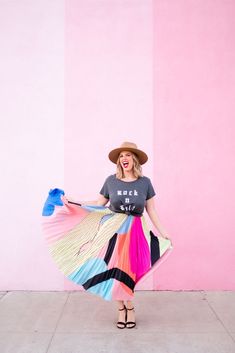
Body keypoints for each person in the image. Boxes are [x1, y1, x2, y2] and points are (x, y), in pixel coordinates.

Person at [42, 141, 173, 329]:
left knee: (130, 272)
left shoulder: (145, 183)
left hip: (136, 232)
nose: (123, 158)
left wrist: (164, 232)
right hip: (113, 231)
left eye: (128, 155)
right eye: (121, 156)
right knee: (115, 271)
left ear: (134, 159)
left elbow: (151, 210)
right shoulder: (111, 181)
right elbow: (98, 203)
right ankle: (123, 309)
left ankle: (130, 306)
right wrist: (72, 201)